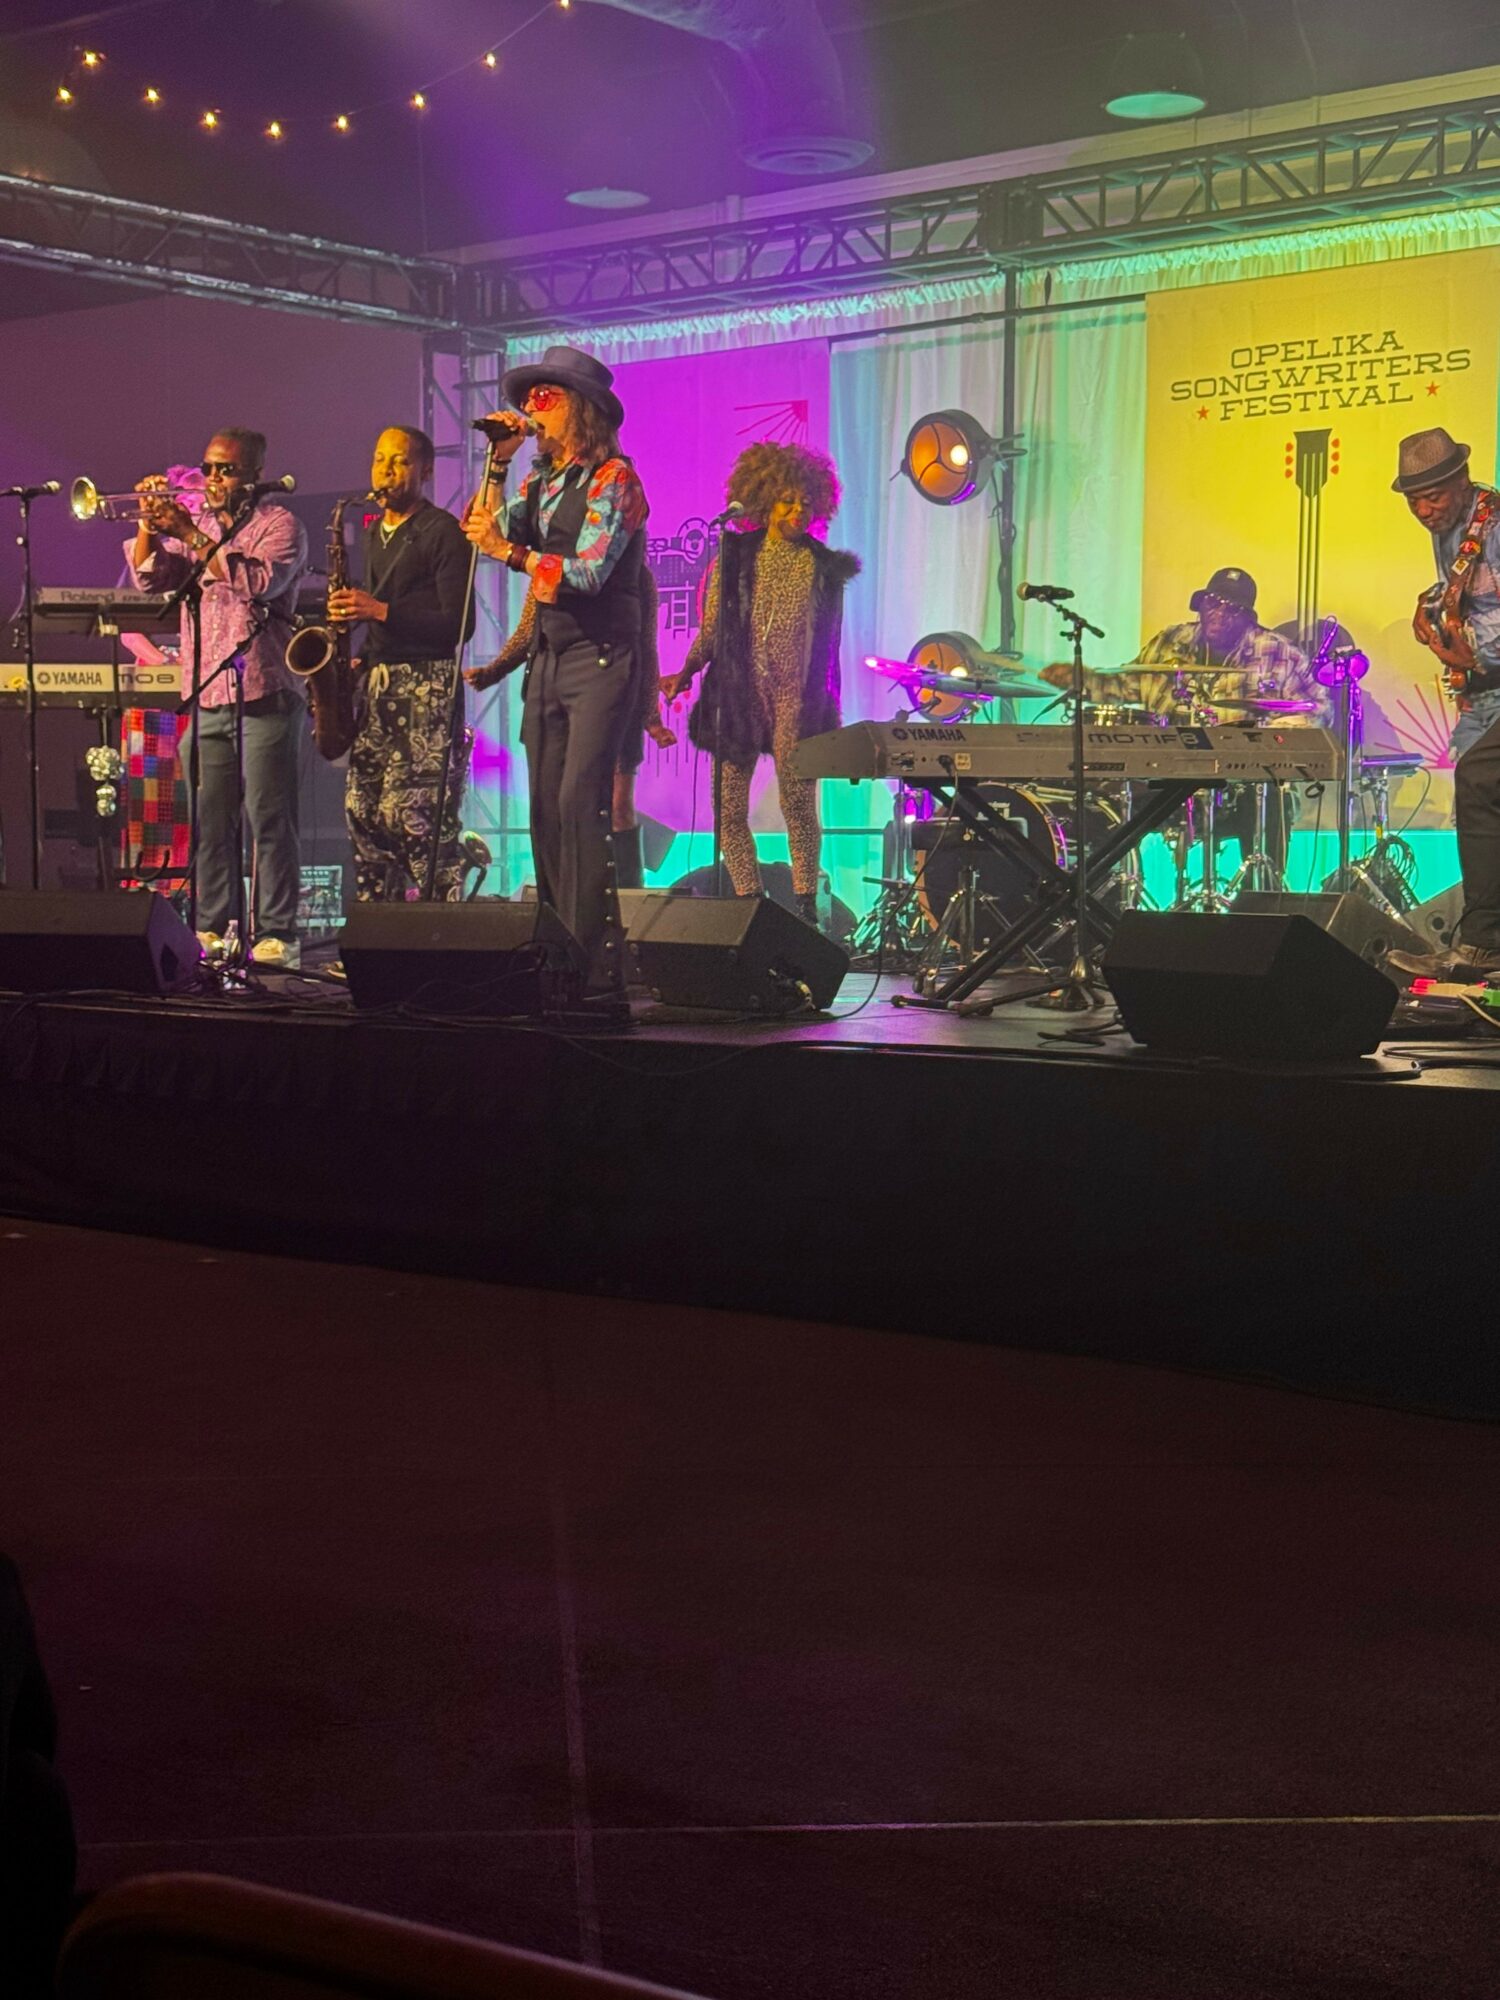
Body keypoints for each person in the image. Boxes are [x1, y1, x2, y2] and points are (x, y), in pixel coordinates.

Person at [462, 344, 649, 995]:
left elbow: (591, 571)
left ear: (584, 410)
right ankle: (555, 952)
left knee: (578, 803)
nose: (534, 409)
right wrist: (498, 464)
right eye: (530, 398)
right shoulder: (540, 484)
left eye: (549, 398)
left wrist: (512, 555)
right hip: (547, 660)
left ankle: (597, 960)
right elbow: (478, 528)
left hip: (599, 660)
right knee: (544, 806)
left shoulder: (616, 481)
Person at [658, 442, 859, 927]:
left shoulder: (823, 567)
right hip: (739, 697)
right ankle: (750, 905)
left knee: (798, 805)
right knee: (727, 808)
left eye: (805, 504)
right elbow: (711, 631)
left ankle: (807, 910)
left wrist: (826, 709)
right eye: (787, 500)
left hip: (795, 700)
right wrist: (683, 671)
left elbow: (829, 651)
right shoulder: (733, 557)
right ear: (765, 499)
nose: (796, 511)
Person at [127, 429, 308, 968]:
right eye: (208, 468)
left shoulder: (281, 525)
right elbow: (149, 579)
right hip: (205, 691)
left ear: (254, 475)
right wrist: (147, 522)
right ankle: (210, 928)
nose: (212, 479)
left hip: (264, 691)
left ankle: (277, 932)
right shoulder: (197, 524)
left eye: (225, 470)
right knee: (210, 820)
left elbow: (258, 583)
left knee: (270, 818)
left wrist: (187, 530)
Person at [1040, 565, 1324, 872]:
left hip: (1236, 783)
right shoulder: (1171, 641)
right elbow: (1124, 685)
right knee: (1100, 801)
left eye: (1232, 609)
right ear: (1200, 604)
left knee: (1270, 795)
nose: (1219, 613)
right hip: (1166, 773)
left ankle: (1263, 896)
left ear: (1246, 617)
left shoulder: (1277, 653)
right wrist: (1081, 679)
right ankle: (1110, 890)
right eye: (1212, 602)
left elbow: (1316, 709)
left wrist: (1260, 740)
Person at [329, 426, 474, 902]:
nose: (385, 471)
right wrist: (358, 659)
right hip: (380, 685)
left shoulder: (444, 532)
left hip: (427, 688)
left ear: (425, 470)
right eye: (378, 459)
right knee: (363, 810)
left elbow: (460, 625)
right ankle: (377, 930)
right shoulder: (373, 532)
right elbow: (377, 615)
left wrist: (380, 611)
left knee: (415, 817)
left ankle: (440, 933)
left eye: (399, 461)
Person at [466, 567, 675, 888]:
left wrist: (651, 717)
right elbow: (527, 633)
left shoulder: (638, 575)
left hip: (619, 697)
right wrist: (494, 671)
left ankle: (631, 905)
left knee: (619, 806)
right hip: (561, 698)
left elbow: (647, 647)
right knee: (562, 806)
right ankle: (571, 900)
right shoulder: (549, 569)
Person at [1383, 428, 1500, 978]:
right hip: (1484, 692)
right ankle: (1479, 944)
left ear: (1462, 481)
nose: (1425, 509)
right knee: (1478, 805)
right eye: (1414, 501)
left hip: (1492, 677)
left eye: (1434, 496)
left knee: (1480, 780)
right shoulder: (1453, 528)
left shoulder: (1495, 526)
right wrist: (1429, 605)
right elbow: (1468, 593)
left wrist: (1475, 656)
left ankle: (1480, 945)